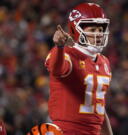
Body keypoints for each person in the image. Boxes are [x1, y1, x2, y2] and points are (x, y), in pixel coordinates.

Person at [45, 2, 113, 135]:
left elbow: (99, 108)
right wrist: (59, 47)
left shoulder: (104, 61)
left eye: (100, 29)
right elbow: (56, 69)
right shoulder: (67, 54)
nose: (98, 34)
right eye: (92, 30)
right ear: (75, 30)